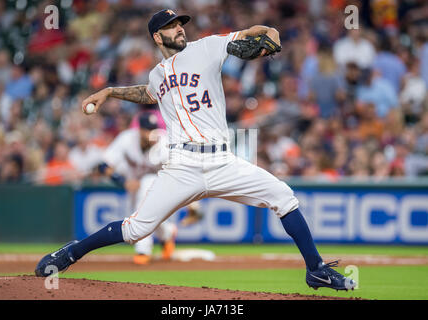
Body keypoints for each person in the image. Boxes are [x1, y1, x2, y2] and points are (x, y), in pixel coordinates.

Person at [35, 9, 356, 291]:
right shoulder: (157, 74)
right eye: (172, 26)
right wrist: (109, 92)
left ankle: (316, 270)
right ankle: (71, 253)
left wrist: (271, 34)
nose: (180, 28)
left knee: (284, 196)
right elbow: (149, 94)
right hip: (182, 165)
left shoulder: (208, 47)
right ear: (157, 37)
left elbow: (253, 34)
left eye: (180, 23)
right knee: (135, 230)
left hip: (222, 161)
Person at [97, 111, 201, 264]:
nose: (150, 133)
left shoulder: (165, 142)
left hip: (159, 180)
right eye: (146, 129)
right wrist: (123, 181)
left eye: (152, 129)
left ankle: (143, 250)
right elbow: (103, 166)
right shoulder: (127, 139)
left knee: (145, 189)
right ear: (139, 130)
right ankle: (167, 233)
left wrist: (192, 204)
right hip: (133, 182)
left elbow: (183, 172)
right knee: (143, 214)